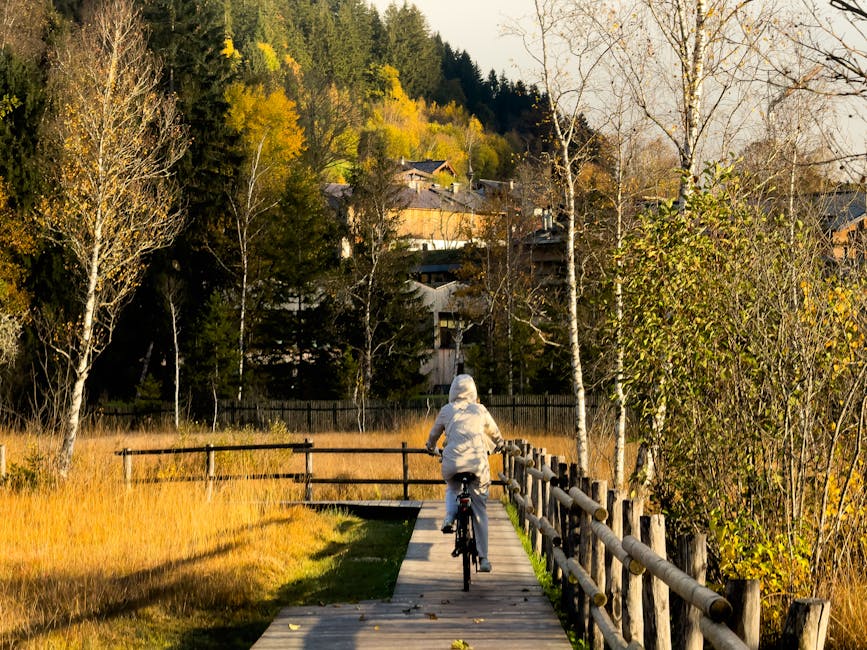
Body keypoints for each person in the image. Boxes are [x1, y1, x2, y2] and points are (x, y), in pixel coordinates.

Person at [426, 373, 503, 573]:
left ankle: (450, 517)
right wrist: (500, 443)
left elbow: (434, 435)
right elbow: (494, 432)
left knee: (452, 488)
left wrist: (430, 446)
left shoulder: (446, 410)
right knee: (479, 510)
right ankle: (484, 559)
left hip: (451, 463)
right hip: (477, 463)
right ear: (473, 391)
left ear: (452, 391)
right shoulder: (480, 410)